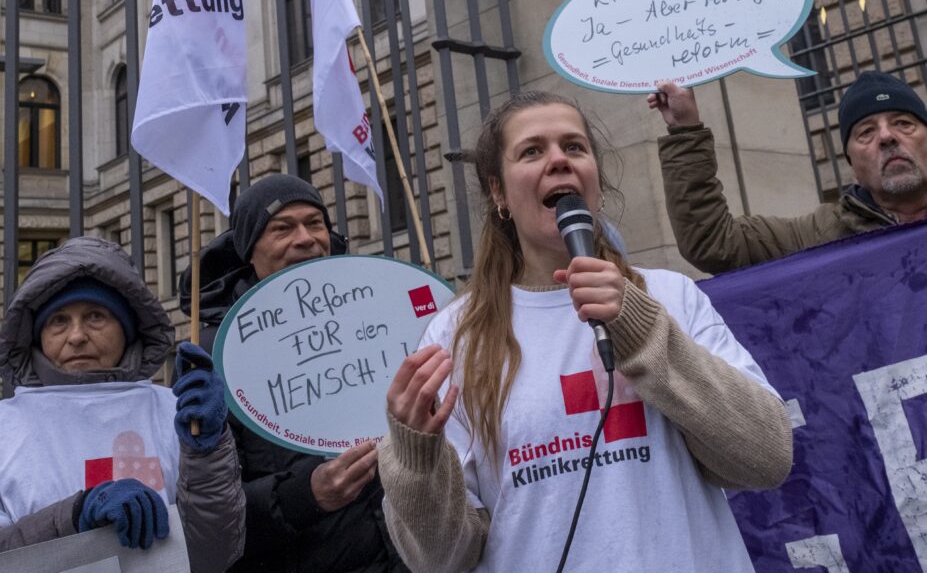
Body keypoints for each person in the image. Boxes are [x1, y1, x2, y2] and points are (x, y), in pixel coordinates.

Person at [378, 91, 792, 573]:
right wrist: (416, 459)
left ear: (595, 178)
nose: (558, 160)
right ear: (498, 192)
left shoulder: (671, 296)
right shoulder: (455, 336)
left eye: (574, 147)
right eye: (532, 151)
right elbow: (441, 560)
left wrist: (641, 331)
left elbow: (767, 459)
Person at [180, 173, 408, 573]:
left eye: (315, 223)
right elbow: (208, 519)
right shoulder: (217, 357)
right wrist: (305, 495)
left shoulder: (378, 313)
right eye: (282, 229)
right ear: (250, 249)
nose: (305, 238)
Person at [0, 235, 244, 572]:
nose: (76, 336)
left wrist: (209, 453)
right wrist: (75, 514)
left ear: (127, 328)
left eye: (95, 316)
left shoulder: (176, 410)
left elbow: (215, 551)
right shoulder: (4, 426)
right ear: (36, 334)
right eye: (58, 321)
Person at [647, 71, 927, 273]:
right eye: (866, 132)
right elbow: (713, 242)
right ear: (852, 164)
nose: (887, 136)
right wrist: (685, 130)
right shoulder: (819, 236)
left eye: (903, 123)